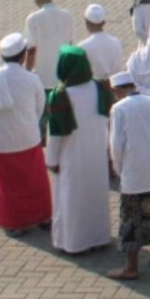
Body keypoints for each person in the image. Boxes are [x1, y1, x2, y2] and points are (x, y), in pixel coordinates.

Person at [0, 34, 53, 236]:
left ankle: (13, 223)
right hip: (28, 137)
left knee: (6, 184)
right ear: (22, 57)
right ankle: (42, 216)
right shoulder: (32, 79)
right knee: (35, 181)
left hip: (1, 140)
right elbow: (40, 107)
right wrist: (28, 123)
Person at [43, 46, 113, 255]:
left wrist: (52, 160)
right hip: (97, 152)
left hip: (71, 154)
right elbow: (107, 120)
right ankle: (99, 237)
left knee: (72, 199)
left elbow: (55, 133)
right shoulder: (100, 87)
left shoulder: (61, 96)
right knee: (96, 194)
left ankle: (74, 243)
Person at [107, 72, 150, 280]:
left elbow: (116, 144)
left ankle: (131, 266)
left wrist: (118, 168)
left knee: (131, 219)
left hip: (133, 171)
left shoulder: (119, 109)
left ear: (117, 90)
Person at [23, 0, 76, 91]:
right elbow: (70, 44)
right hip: (62, 77)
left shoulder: (33, 18)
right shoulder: (67, 15)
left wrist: (27, 73)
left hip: (42, 78)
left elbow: (31, 49)